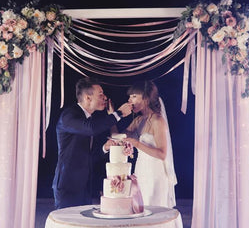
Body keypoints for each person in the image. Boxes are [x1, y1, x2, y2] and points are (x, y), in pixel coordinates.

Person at [52, 77, 132, 209]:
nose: (105, 98)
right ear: (87, 98)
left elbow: (89, 156)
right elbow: (91, 129)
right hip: (68, 186)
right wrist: (119, 114)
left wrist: (105, 148)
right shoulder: (69, 116)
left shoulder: (89, 119)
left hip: (85, 187)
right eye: (100, 95)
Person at [105, 80, 177, 207]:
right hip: (141, 171)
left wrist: (136, 144)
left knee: (153, 208)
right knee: (140, 207)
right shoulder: (138, 120)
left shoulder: (157, 120)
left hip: (156, 173)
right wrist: (112, 115)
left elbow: (162, 154)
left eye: (133, 96)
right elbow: (118, 138)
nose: (129, 100)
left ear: (146, 98)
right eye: (129, 97)